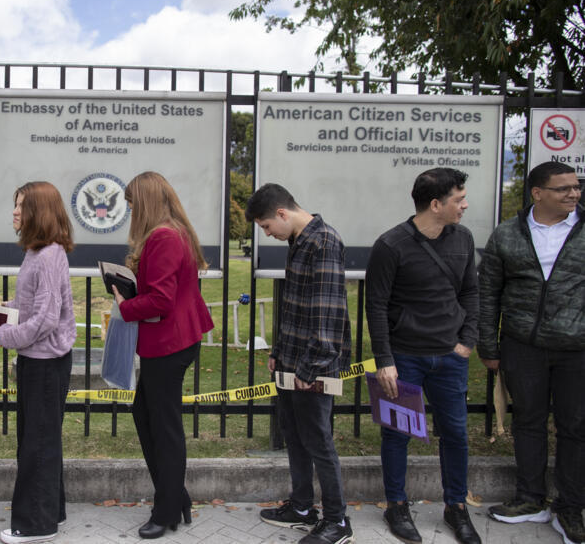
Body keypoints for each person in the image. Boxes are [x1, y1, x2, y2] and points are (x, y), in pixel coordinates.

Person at [365, 167, 480, 544]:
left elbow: (470, 292)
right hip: (404, 357)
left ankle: (456, 507)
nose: (465, 205)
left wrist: (467, 341)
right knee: (397, 434)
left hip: (450, 358)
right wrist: (385, 359)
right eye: (458, 200)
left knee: (456, 434)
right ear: (435, 204)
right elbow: (376, 305)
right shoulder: (391, 245)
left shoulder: (463, 238)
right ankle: (396, 505)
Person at [479, 161, 584, 544]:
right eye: (564, 188)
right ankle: (530, 499)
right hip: (523, 346)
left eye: (576, 187)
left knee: (576, 427)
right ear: (538, 193)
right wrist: (488, 345)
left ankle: (571, 506)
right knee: (528, 422)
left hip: (577, 348)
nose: (574, 194)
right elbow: (488, 293)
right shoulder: (508, 235)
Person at [245, 184, 353, 544]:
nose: (267, 234)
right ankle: (303, 506)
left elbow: (327, 315)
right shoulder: (300, 242)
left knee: (318, 441)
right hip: (291, 362)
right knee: (293, 436)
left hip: (312, 368)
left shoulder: (323, 242)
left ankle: (337, 521)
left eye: (265, 226)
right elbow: (294, 306)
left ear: (281, 213)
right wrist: (278, 351)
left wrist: (310, 369)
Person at [111, 171, 213, 540]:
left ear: (147, 202)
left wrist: (125, 304)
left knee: (164, 428)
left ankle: (166, 510)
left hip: (170, 342)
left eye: (134, 204)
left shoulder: (165, 237)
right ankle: (176, 497)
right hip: (172, 340)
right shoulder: (172, 232)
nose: (131, 212)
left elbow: (160, 300)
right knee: (148, 416)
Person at [0, 182, 76, 544]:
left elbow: (45, 319)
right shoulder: (36, 252)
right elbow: (31, 306)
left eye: (21, 206)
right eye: (15, 205)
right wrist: (2, 312)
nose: (14, 212)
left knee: (37, 445)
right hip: (36, 361)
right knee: (38, 439)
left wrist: (6, 336)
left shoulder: (48, 254)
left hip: (45, 363)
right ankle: (50, 510)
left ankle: (36, 525)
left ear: (38, 213)